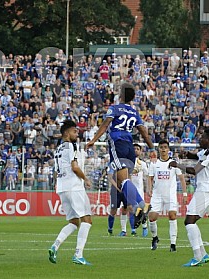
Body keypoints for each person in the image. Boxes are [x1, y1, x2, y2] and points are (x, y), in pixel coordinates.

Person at [86, 83, 157, 227]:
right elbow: (143, 130)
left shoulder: (115, 109)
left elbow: (105, 124)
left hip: (118, 144)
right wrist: (151, 147)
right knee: (124, 180)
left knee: (123, 180)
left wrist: (93, 140)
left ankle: (141, 206)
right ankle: (141, 205)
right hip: (130, 147)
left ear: (121, 95)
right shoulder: (134, 111)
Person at [169, 129, 209, 266]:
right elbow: (196, 156)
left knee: (189, 221)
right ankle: (202, 255)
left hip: (207, 190)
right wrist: (186, 154)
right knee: (191, 221)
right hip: (206, 189)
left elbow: (194, 171)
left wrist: (177, 165)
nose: (200, 138)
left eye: (202, 137)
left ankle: (198, 256)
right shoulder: (206, 151)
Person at [48, 120, 93, 266]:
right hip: (74, 187)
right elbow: (74, 167)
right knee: (87, 220)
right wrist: (85, 178)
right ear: (67, 133)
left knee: (74, 222)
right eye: (74, 131)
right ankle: (78, 255)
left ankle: (55, 246)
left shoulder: (58, 149)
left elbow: (57, 171)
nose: (77, 133)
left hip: (62, 187)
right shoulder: (71, 145)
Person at [148, 140, 186, 252]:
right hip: (157, 195)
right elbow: (150, 178)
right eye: (161, 147)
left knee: (172, 216)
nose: (163, 149)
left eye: (165, 147)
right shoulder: (154, 163)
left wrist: (184, 194)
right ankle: (155, 238)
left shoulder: (174, 163)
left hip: (170, 195)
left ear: (168, 149)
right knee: (152, 217)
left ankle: (173, 244)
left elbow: (181, 178)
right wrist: (149, 189)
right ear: (158, 149)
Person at [130, 143, 149, 237]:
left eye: (138, 149)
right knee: (130, 210)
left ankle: (145, 227)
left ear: (140, 151)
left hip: (139, 192)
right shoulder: (127, 163)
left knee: (141, 210)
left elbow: (147, 177)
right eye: (134, 148)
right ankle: (131, 230)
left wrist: (148, 189)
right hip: (129, 191)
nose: (136, 150)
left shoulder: (143, 164)